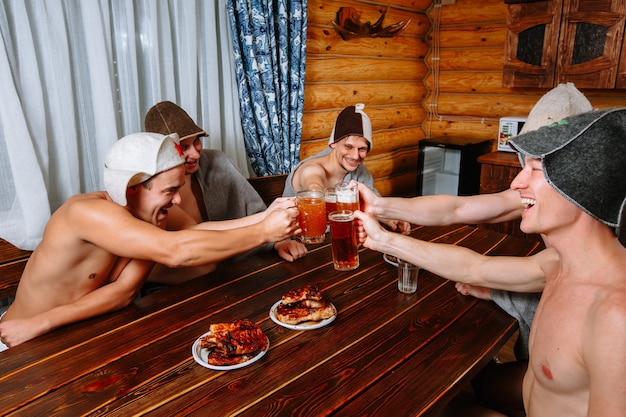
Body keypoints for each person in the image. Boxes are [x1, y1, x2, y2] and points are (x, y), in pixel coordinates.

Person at [356, 108, 626, 416]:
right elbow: (474, 268)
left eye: (536, 170)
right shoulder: (555, 264)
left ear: (580, 186)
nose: (515, 183)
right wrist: (382, 239)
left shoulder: (615, 316)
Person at [0, 132, 300, 350]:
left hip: (65, 334)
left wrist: (265, 216)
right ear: (131, 189)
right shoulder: (87, 213)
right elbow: (177, 251)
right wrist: (263, 233)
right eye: (170, 190)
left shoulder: (150, 216)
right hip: (16, 336)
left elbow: (124, 292)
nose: (178, 199)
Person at [143, 101, 307, 284]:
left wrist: (275, 241)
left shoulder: (216, 162)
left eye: (196, 141)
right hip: (181, 280)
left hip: (232, 269)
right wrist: (266, 224)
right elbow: (192, 235)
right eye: (183, 147)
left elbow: (251, 208)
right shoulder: (153, 191)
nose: (196, 154)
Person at [282, 103, 410, 234]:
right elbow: (314, 188)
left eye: (362, 149)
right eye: (348, 147)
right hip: (299, 244)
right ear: (333, 143)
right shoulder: (312, 169)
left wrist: (390, 219)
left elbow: (372, 205)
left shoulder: (360, 171)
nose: (355, 156)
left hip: (340, 239)